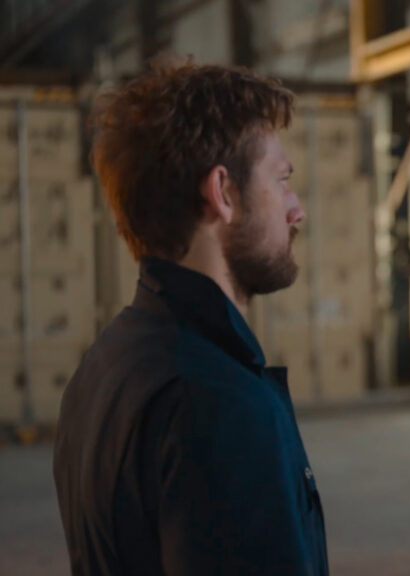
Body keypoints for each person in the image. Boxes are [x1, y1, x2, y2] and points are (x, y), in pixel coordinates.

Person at [52, 60, 328, 575]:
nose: (296, 210)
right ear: (223, 192)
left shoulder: (103, 366)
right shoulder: (220, 406)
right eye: (282, 180)